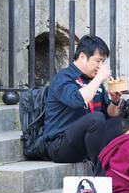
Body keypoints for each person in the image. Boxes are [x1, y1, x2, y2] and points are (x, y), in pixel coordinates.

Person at [43, 35, 124, 167]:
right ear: (82, 57)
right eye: (98, 61)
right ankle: (101, 171)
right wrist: (99, 78)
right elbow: (78, 100)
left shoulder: (93, 82)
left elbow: (109, 114)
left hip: (87, 143)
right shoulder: (63, 78)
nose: (100, 66)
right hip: (60, 145)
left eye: (103, 62)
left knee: (126, 118)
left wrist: (115, 101)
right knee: (96, 118)